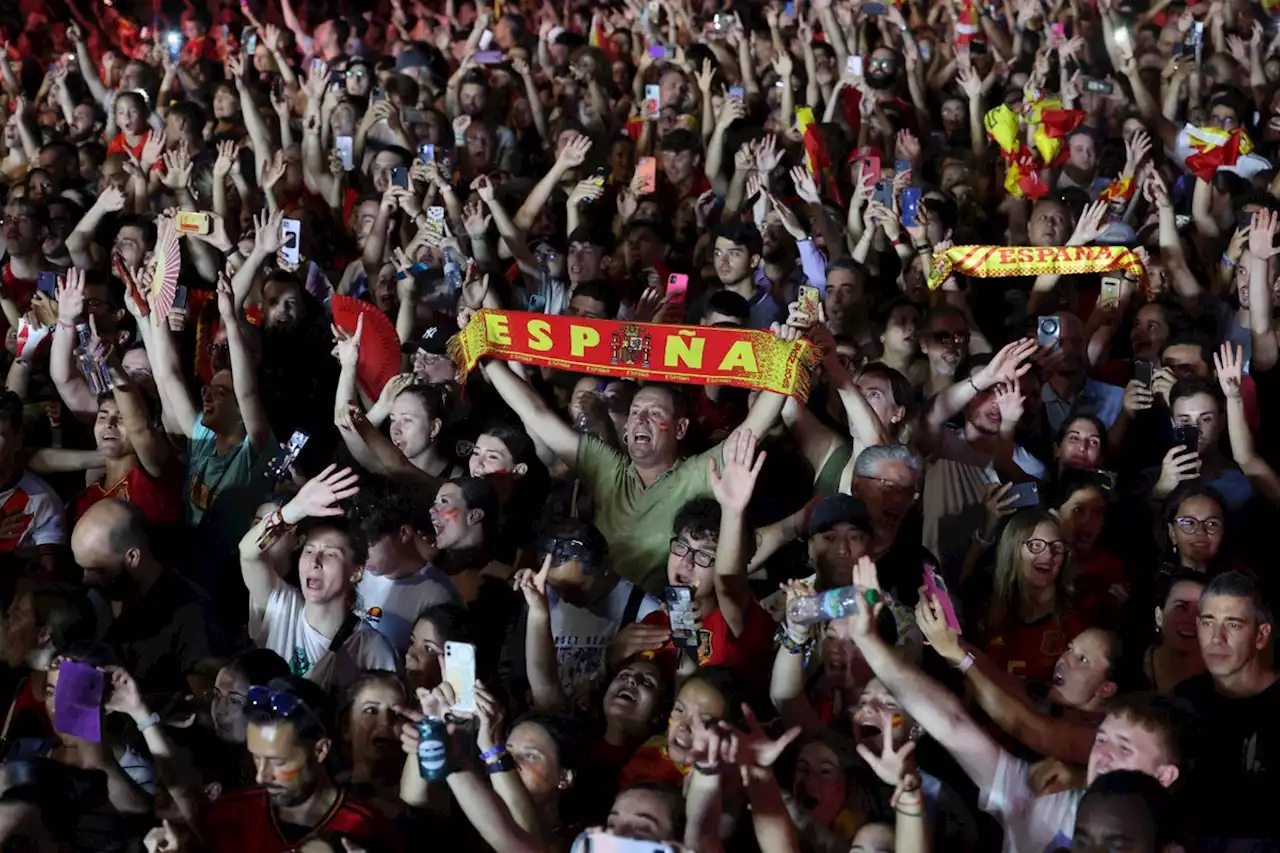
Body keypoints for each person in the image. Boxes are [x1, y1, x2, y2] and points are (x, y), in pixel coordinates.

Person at [846, 556, 1184, 853]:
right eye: (1102, 739)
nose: (1102, 754)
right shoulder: (1043, 793)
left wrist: (956, 654)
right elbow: (954, 722)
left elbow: (1027, 726)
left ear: (1165, 775)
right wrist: (868, 638)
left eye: (1123, 746)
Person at [197, 675, 400, 853]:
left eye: (278, 762)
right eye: (256, 758)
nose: (261, 776)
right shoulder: (227, 814)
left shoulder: (366, 826)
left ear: (320, 750)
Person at [238, 466, 397, 690]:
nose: (315, 561)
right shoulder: (283, 606)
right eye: (310, 551)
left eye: (331, 554)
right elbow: (249, 553)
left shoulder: (370, 648)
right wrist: (293, 510)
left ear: (356, 572)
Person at [70, 499, 220, 697]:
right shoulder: (97, 599)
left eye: (96, 570)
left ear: (132, 557)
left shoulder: (191, 613)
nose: (85, 579)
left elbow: (206, 696)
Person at [1174, 571, 1280, 846]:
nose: (1216, 638)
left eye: (1233, 625)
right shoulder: (1184, 700)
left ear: (1260, 635)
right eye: (1208, 622)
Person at [353, 481, 458, 655]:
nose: (362, 553)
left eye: (370, 544)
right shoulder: (357, 570)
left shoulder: (437, 596)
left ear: (403, 534)